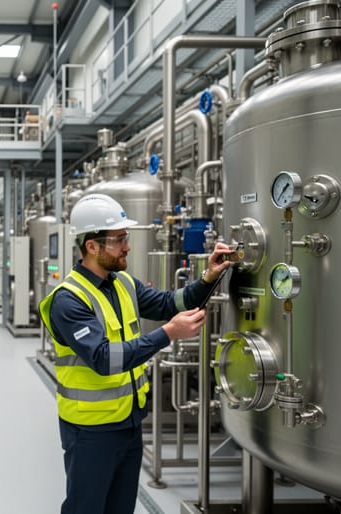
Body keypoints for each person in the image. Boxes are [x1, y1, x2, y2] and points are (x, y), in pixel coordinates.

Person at [38, 194, 233, 514]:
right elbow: (104, 359)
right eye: (119, 240)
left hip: (129, 421)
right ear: (92, 246)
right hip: (90, 430)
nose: (127, 246)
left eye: (125, 238)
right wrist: (168, 333)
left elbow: (171, 303)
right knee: (86, 508)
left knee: (120, 508)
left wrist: (208, 277)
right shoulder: (68, 300)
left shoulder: (123, 283)